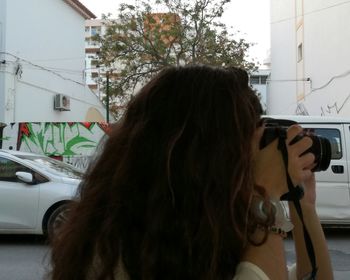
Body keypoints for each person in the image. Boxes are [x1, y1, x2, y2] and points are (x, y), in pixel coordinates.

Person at [49, 64, 333, 280]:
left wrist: (303, 206)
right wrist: (267, 198)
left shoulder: (205, 225)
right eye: (247, 142)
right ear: (206, 159)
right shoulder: (112, 255)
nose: (253, 158)